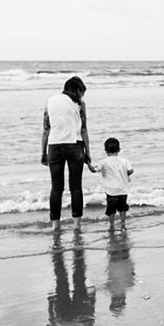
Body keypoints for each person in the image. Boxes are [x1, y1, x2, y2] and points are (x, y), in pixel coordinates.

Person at [41, 76, 96, 231]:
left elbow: (46, 129)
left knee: (56, 187)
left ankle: (55, 225)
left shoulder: (50, 101)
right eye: (81, 92)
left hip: (54, 146)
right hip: (75, 146)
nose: (82, 96)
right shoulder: (79, 104)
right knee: (76, 187)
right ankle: (77, 224)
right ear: (76, 90)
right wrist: (88, 152)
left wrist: (43, 152)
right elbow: (84, 129)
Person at [95, 137, 134, 227]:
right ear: (119, 149)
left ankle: (111, 224)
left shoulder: (104, 162)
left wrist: (89, 164)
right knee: (123, 207)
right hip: (123, 189)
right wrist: (125, 174)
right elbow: (131, 170)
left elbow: (95, 170)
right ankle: (123, 223)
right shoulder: (125, 161)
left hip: (111, 190)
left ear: (105, 150)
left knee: (111, 209)